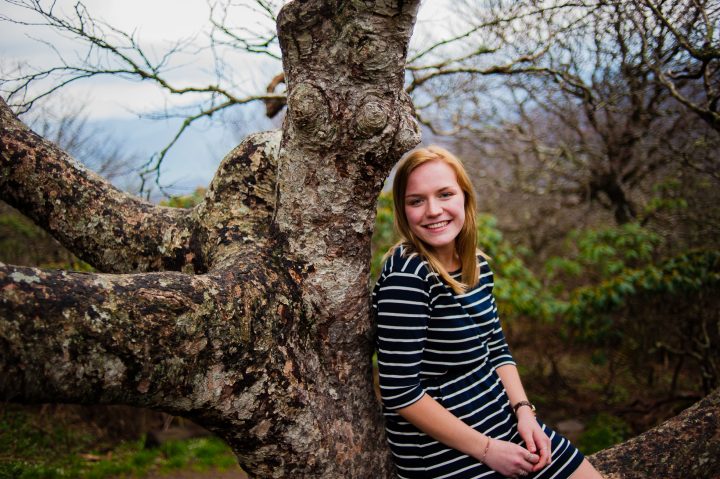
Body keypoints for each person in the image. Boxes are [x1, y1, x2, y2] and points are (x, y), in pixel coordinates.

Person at [372, 146, 603, 479]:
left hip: (501, 423)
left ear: (465, 197)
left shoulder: (477, 265)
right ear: (403, 210)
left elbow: (496, 347)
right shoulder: (408, 279)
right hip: (444, 451)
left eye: (445, 194)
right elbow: (400, 392)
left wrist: (525, 413)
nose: (433, 210)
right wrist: (487, 450)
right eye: (416, 200)